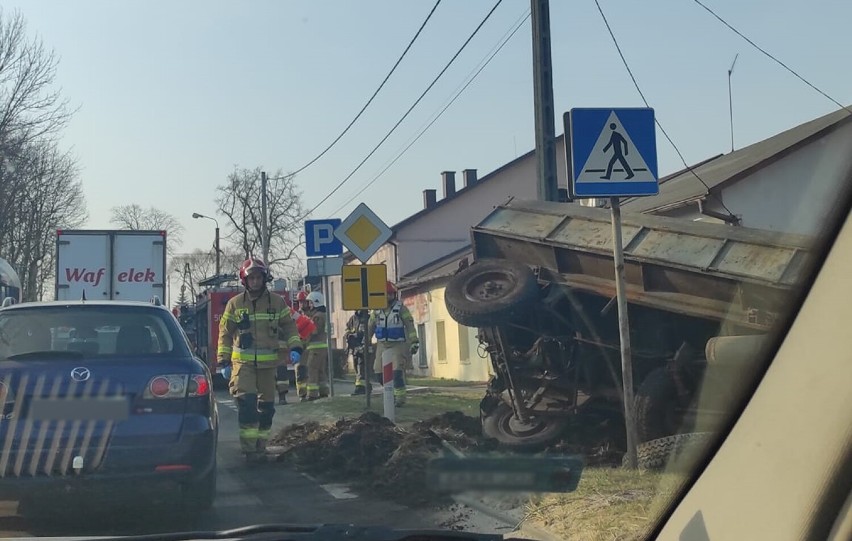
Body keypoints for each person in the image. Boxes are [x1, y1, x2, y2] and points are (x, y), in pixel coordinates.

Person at [217, 258, 302, 464]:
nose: (255, 281)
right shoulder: (234, 303)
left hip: (267, 365)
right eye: (251, 278)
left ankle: (261, 446)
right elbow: (225, 333)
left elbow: (289, 326)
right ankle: (249, 451)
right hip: (242, 365)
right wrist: (223, 361)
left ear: (264, 278)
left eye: (258, 277)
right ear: (245, 280)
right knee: (246, 406)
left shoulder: (277, 302)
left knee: (267, 409)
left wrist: (296, 346)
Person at [369, 281, 419, 406]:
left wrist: (414, 342)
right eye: (384, 294)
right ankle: (389, 393)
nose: (387, 297)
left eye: (390, 294)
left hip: (398, 344)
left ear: (394, 295)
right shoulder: (375, 311)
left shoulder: (401, 308)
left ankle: (400, 399)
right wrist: (365, 341)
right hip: (382, 344)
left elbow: (409, 325)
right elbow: (370, 327)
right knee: (378, 373)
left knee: (396, 373)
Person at [300, 291, 330, 401]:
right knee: (321, 371)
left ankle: (312, 394)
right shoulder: (323, 315)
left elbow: (314, 331)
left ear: (316, 303)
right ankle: (324, 392)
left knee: (311, 369)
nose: (309, 305)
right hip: (322, 348)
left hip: (315, 348)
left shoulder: (317, 316)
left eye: (311, 303)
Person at [344, 309, 369, 395]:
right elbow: (347, 329)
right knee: (356, 366)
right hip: (354, 347)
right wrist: (349, 335)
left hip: (363, 346)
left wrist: (358, 335)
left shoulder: (367, 318)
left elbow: (368, 332)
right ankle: (366, 386)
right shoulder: (353, 319)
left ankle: (360, 388)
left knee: (361, 367)